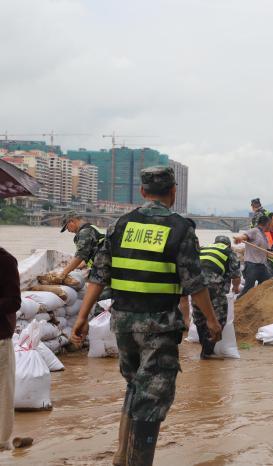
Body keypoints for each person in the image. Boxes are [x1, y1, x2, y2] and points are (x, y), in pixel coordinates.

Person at [70, 166, 222, 466]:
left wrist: (82, 317)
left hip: (124, 324)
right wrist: (213, 321)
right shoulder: (181, 229)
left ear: (142, 192)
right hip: (159, 327)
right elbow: (194, 283)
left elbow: (98, 275)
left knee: (135, 385)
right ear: (174, 193)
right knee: (152, 397)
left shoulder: (120, 225)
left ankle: (122, 455)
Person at [193, 236, 241, 359]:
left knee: (199, 315)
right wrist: (235, 288)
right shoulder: (229, 252)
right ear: (228, 245)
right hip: (212, 282)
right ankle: (208, 351)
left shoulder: (204, 248)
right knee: (219, 317)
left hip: (195, 282)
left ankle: (204, 348)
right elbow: (235, 276)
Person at [0, 247, 20, 452]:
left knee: (3, 391)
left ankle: (1, 441)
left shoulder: (5, 261)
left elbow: (14, 301)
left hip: (0, 337)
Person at [234, 213, 273, 296]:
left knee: (267, 284)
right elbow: (245, 236)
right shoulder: (254, 231)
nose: (271, 226)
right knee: (248, 288)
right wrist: (240, 238)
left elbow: (266, 253)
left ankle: (257, 301)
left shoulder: (263, 235)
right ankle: (238, 304)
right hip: (252, 265)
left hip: (262, 266)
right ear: (267, 224)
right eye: (270, 224)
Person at [57, 211, 105, 279]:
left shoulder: (84, 232)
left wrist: (62, 274)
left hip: (103, 268)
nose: (68, 230)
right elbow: (93, 252)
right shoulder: (91, 227)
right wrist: (75, 266)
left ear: (72, 221)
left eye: (67, 227)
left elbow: (80, 256)